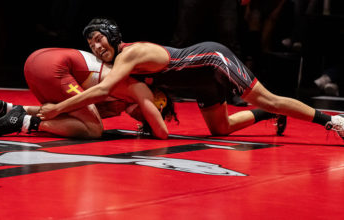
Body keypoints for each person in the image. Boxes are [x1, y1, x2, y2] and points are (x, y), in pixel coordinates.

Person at [32, 18, 344, 140]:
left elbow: (102, 91)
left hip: (211, 60)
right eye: (90, 45)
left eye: (99, 39)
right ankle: (269, 115)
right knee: (220, 129)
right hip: (198, 83)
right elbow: (113, 99)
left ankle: (331, 121)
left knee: (265, 96)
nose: (96, 48)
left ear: (113, 36)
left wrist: (59, 109)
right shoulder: (120, 63)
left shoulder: (129, 55)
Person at [0, 48, 170, 139]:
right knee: (94, 130)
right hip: (54, 67)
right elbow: (162, 133)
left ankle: (6, 109)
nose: (143, 117)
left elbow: (77, 109)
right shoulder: (137, 88)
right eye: (150, 113)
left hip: (37, 60)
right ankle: (24, 122)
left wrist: (59, 109)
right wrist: (58, 108)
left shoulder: (119, 100)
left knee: (79, 115)